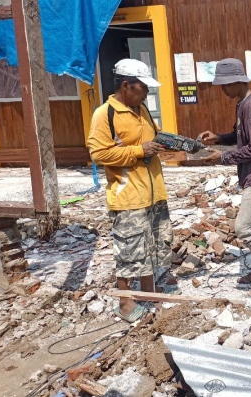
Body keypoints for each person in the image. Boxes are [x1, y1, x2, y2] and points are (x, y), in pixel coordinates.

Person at [87, 58, 179, 323]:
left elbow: (152, 137)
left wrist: (168, 143)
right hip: (128, 197)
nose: (147, 93)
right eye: (143, 88)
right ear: (126, 86)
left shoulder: (142, 110)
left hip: (153, 193)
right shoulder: (105, 114)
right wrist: (139, 151)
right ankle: (125, 302)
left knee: (153, 246)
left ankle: (149, 293)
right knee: (129, 252)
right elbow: (98, 153)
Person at [198, 58, 251, 301]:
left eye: (225, 85)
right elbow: (242, 138)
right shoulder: (243, 104)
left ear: (237, 81)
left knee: (244, 227)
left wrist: (222, 157)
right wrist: (219, 138)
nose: (222, 90)